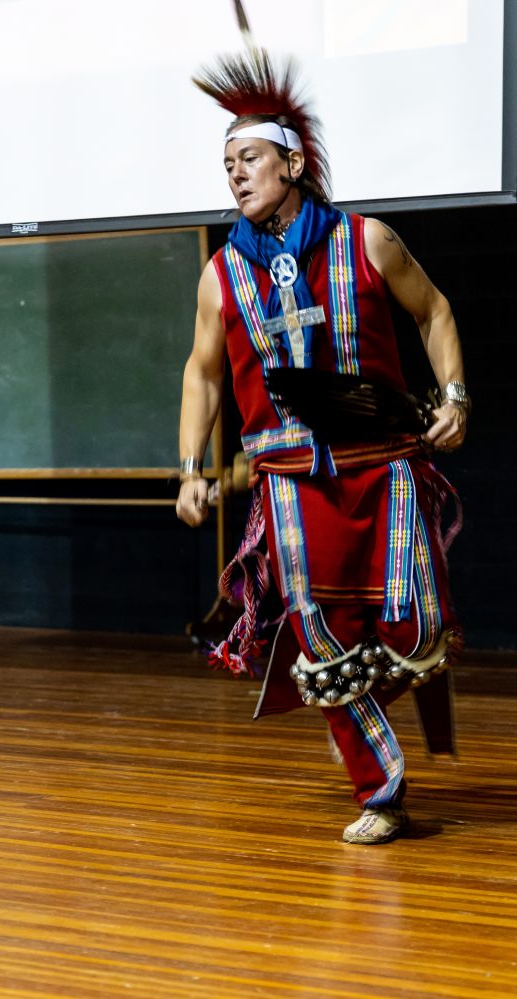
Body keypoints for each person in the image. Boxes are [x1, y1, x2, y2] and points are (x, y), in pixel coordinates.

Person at [176, 50, 468, 844]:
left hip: (387, 464)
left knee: (415, 624)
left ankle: (391, 698)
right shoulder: (221, 273)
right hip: (290, 481)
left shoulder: (368, 241)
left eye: (249, 158)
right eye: (225, 163)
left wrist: (455, 398)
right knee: (319, 637)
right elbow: (202, 374)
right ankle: (380, 791)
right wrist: (190, 468)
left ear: (294, 162)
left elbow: (435, 313)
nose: (235, 175)